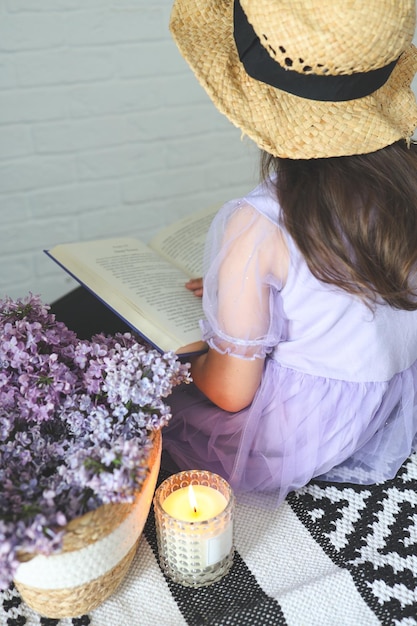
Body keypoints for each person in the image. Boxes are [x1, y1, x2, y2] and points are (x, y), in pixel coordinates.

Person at [161, 0, 417, 504]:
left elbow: (232, 394)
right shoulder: (407, 180)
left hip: (301, 435)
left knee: (142, 407)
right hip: (389, 399)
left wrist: (176, 363)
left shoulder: (257, 225)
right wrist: (234, 291)